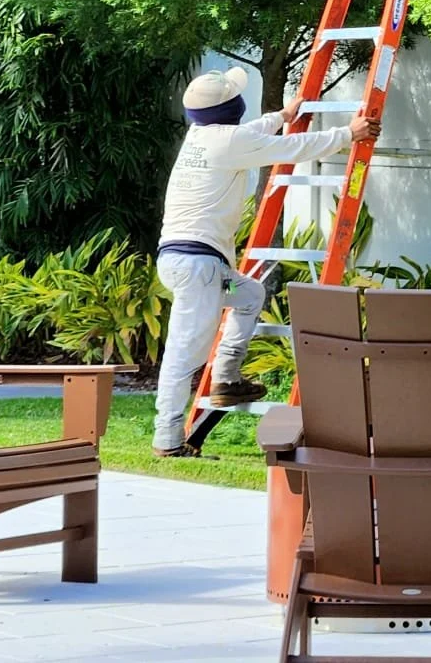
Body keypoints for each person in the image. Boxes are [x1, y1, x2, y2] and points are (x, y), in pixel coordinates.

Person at [151, 65, 379, 457]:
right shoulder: (230, 141)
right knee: (183, 354)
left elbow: (252, 135)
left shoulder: (201, 137)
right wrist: (347, 134)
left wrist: (282, 116)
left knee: (249, 295)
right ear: (232, 107)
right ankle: (167, 439)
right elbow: (291, 148)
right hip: (200, 268)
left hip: (193, 265)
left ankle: (225, 377)